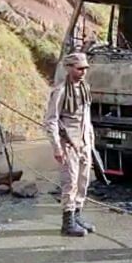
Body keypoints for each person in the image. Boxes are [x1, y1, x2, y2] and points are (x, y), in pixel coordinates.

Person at [44, 53, 96, 237]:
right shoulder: (61, 91)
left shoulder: (84, 88)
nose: (83, 72)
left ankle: (78, 215)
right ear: (69, 68)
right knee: (70, 183)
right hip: (68, 143)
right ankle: (68, 222)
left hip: (84, 142)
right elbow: (51, 121)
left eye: (85, 68)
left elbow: (87, 117)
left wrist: (90, 141)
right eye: (79, 68)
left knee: (83, 181)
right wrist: (57, 147)